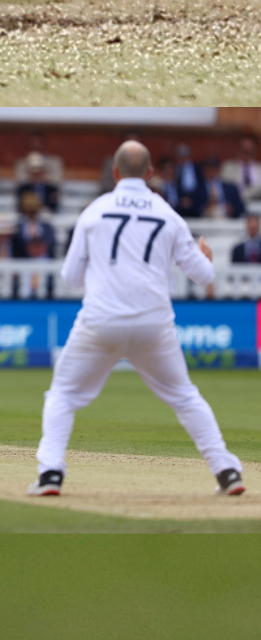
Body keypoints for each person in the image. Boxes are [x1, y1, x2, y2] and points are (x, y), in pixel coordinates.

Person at [28, 141, 245, 498]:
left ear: (114, 173)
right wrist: (205, 257)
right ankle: (224, 469)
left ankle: (51, 473)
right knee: (186, 397)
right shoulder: (168, 214)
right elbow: (203, 277)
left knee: (63, 395)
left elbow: (70, 278)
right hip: (153, 324)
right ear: (149, 174)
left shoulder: (94, 211)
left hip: (101, 321)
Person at [221, 135, 261, 204]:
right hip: (235, 205)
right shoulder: (228, 166)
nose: (247, 150)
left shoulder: (259, 167)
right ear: (238, 149)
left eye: (250, 148)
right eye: (244, 148)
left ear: (255, 150)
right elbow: (226, 186)